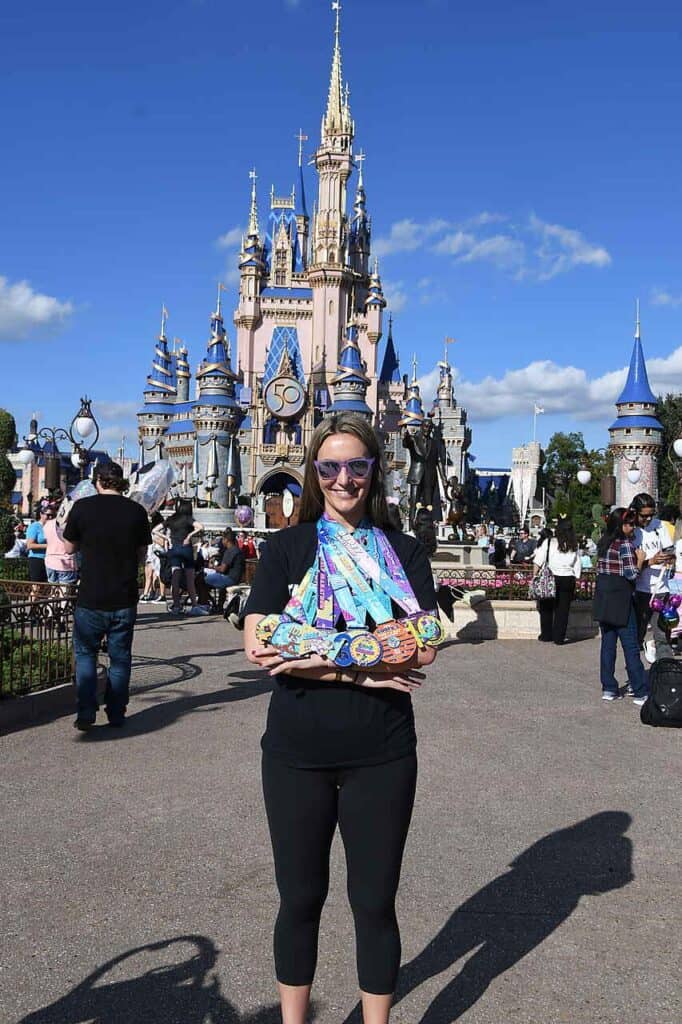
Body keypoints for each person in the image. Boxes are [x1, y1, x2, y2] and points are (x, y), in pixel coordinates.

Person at [244, 412, 439, 1024]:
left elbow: (426, 643)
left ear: (375, 471)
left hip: (381, 752)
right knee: (300, 899)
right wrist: (365, 666)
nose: (344, 479)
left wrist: (309, 649)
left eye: (357, 465)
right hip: (296, 751)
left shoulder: (403, 550)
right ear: (313, 474)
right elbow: (260, 646)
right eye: (329, 467)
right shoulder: (287, 547)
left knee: (375, 902)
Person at [62, 463, 151, 730]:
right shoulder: (136, 511)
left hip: (91, 595)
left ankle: (87, 712)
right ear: (120, 482)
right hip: (124, 596)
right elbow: (142, 555)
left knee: (86, 654)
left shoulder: (83, 507)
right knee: (120, 658)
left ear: (97, 481)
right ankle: (116, 712)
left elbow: (68, 547)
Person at [594, 508, 648, 704]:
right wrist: (640, 560)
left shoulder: (604, 543)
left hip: (604, 600)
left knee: (608, 646)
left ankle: (609, 687)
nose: (632, 527)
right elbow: (631, 574)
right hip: (621, 601)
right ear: (620, 525)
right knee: (630, 647)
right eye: (629, 523)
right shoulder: (624, 545)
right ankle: (641, 690)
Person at [630, 492, 674, 658]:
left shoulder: (659, 526)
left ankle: (665, 676)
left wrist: (670, 557)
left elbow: (670, 549)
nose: (648, 519)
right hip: (640, 591)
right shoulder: (631, 530)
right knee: (635, 639)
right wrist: (651, 561)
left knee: (662, 636)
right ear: (635, 512)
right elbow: (631, 566)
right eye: (644, 516)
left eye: (651, 515)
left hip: (661, 589)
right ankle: (636, 678)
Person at [533, 517, 581, 645]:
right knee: (563, 609)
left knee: (546, 607)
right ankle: (559, 637)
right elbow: (577, 565)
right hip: (568, 578)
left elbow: (538, 561)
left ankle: (546, 634)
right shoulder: (574, 545)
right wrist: (577, 577)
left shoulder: (549, 542)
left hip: (551, 576)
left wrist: (535, 576)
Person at [164, 498, 208, 615]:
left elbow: (155, 530)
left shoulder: (171, 519)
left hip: (174, 549)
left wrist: (167, 538)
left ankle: (176, 606)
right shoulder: (187, 518)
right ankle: (194, 605)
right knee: (190, 579)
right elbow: (201, 527)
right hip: (186, 549)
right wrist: (189, 535)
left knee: (175, 578)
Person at [204, 527, 246, 610]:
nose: (222, 542)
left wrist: (212, 567)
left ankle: (205, 603)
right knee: (214, 580)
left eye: (222, 539)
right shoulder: (237, 550)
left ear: (226, 540)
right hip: (235, 578)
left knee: (201, 580)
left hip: (229, 579)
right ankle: (218, 606)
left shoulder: (230, 551)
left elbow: (222, 569)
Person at [43, 499, 78, 586]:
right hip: (66, 562)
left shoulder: (48, 524)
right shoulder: (70, 525)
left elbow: (47, 540)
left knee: (53, 592)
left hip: (50, 561)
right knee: (64, 594)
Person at [140, 512, 168, 603]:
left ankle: (162, 594)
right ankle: (147, 593)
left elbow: (163, 543)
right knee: (149, 574)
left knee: (159, 575)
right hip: (151, 554)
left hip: (158, 555)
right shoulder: (152, 531)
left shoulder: (160, 531)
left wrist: (153, 538)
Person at [25, 501, 49, 583]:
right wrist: (48, 546)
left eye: (52, 515)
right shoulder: (35, 526)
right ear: (41, 514)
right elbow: (29, 545)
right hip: (37, 559)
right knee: (36, 588)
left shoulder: (51, 527)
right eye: (47, 515)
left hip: (49, 559)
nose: (50, 517)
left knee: (46, 588)